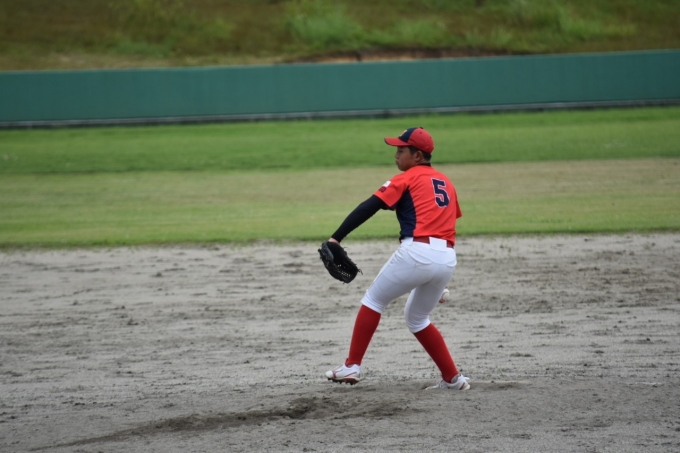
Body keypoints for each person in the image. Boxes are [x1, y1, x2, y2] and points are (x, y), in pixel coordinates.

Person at [324, 127, 470, 390]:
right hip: (447, 258)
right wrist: (438, 277)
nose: (396, 155)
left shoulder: (407, 178)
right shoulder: (446, 182)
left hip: (417, 252)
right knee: (418, 319)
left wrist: (336, 238)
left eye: (401, 150)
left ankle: (352, 365)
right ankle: (453, 378)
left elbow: (369, 206)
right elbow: (443, 223)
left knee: (373, 300)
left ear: (417, 156)